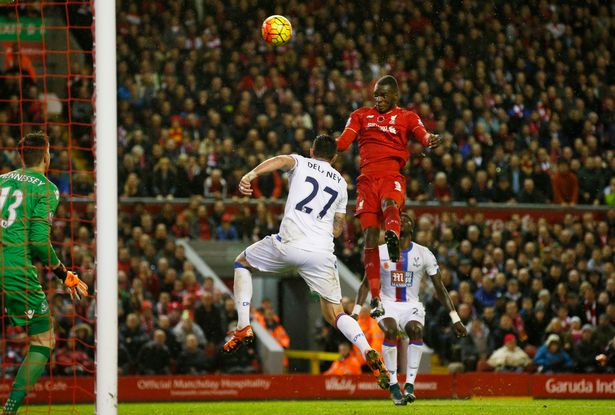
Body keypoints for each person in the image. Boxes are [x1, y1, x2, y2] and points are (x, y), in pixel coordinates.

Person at [223, 134, 390, 390]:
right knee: (335, 314)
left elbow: (279, 160)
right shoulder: (342, 185)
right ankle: (367, 349)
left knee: (242, 263)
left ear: (312, 151)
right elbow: (337, 228)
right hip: (321, 253)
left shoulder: (300, 162)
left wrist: (250, 175)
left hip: (289, 243)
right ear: (334, 158)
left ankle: (243, 325)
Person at [336, 75, 441, 317]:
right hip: (366, 182)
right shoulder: (360, 115)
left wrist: (429, 140)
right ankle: (376, 299)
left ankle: (392, 236)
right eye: (376, 96)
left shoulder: (407, 116)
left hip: (391, 175)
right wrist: (326, 146)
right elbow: (343, 142)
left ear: (395, 95)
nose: (379, 100)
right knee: (370, 236)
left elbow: (422, 135)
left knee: (390, 202)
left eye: (384, 95)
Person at [0, 132, 88, 414]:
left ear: (20, 156)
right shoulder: (46, 188)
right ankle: (10, 409)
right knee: (42, 339)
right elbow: (38, 242)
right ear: (47, 154)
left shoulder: (1, 180)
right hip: (14, 267)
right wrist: (64, 274)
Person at [354, 213, 467, 405]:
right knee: (390, 331)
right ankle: (393, 384)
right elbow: (366, 284)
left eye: (405, 220)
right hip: (387, 303)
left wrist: (455, 318)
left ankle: (409, 386)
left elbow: (440, 288)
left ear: (412, 229)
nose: (400, 221)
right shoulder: (380, 252)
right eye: (398, 220)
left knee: (416, 330)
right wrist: (355, 312)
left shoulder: (424, 254)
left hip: (411, 305)